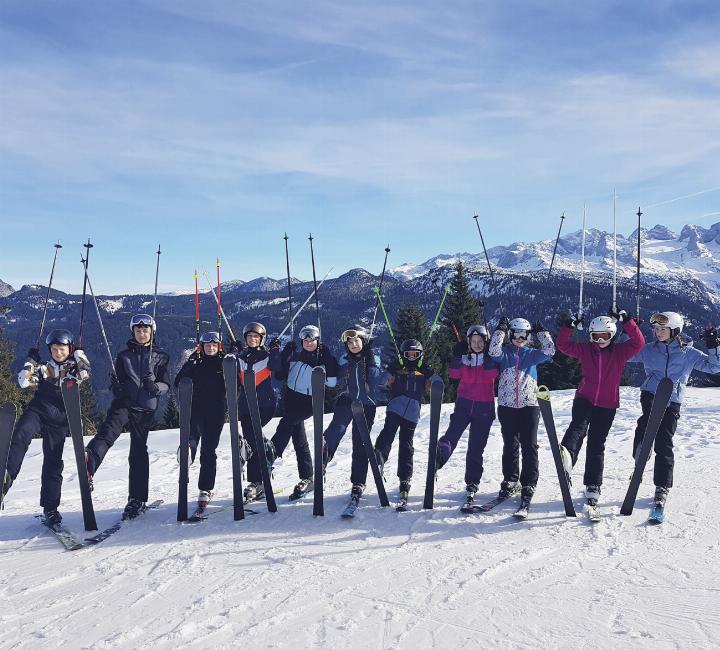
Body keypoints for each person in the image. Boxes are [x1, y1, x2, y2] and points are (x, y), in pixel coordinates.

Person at [627, 312, 720, 511]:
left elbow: (715, 367)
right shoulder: (649, 350)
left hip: (673, 400)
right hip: (651, 394)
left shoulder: (689, 353)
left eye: (663, 329)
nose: (658, 332)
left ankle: (662, 485)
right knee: (645, 424)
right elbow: (625, 354)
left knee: (664, 441)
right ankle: (641, 454)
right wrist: (630, 330)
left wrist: (714, 346)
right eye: (656, 329)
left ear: (675, 330)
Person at [555, 308, 645, 508]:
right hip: (584, 398)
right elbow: (562, 345)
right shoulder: (586, 349)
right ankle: (567, 455)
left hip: (607, 404)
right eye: (596, 336)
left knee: (597, 444)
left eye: (604, 336)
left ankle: (593, 485)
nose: (600, 340)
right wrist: (567, 328)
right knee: (578, 427)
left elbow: (639, 343)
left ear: (612, 335)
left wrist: (628, 322)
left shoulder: (620, 352)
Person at [86, 314, 170, 520]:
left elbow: (166, 384)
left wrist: (155, 387)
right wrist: (116, 387)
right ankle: (90, 463)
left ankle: (137, 499)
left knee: (138, 452)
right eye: (138, 330)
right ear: (133, 332)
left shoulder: (161, 356)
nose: (142, 334)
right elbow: (118, 383)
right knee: (108, 431)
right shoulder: (124, 356)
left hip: (145, 409)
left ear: (152, 332)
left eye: (145, 330)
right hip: (125, 404)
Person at [2, 330, 90, 525]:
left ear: (69, 349)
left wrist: (79, 355)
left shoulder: (74, 369)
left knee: (53, 462)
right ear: (50, 350)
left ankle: (50, 508)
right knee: (21, 434)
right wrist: (30, 362)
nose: (58, 353)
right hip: (39, 410)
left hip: (60, 418)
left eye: (63, 349)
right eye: (54, 349)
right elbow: (24, 381)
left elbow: (85, 374)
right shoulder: (44, 369)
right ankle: (6, 474)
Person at [488, 316, 555, 516]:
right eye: (516, 334)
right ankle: (510, 479)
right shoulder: (504, 354)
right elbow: (493, 351)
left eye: (524, 335)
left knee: (530, 444)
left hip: (529, 406)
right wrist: (499, 330)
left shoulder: (532, 355)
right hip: (507, 406)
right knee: (510, 444)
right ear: (510, 335)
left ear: (528, 337)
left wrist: (542, 333)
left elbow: (550, 350)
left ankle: (529, 483)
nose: (519, 338)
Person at [268, 324, 338, 500]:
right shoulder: (296, 356)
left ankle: (272, 450)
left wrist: (327, 360)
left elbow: (331, 383)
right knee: (298, 439)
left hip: (309, 400)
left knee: (287, 422)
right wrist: (284, 354)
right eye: (305, 339)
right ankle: (307, 478)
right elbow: (279, 376)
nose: (308, 342)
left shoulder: (322, 359)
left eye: (312, 339)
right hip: (290, 397)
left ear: (317, 340)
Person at [435, 325, 499, 507]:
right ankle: (438, 458)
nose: (477, 344)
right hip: (463, 404)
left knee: (475, 447)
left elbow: (492, 374)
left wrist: (487, 359)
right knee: (451, 436)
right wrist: (457, 357)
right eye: (474, 341)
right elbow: (454, 374)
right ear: (469, 343)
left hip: (484, 408)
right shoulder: (464, 358)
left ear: (485, 343)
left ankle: (472, 482)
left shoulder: (491, 359)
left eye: (481, 342)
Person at [323, 326, 382, 507]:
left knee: (360, 441)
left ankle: (358, 481)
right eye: (349, 342)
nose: (353, 344)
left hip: (366, 404)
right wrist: (328, 361)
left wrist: (371, 360)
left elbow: (375, 381)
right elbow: (334, 380)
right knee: (337, 428)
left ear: (363, 342)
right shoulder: (344, 359)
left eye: (356, 341)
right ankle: (323, 458)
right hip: (347, 400)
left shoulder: (373, 358)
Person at [373, 339, 435, 503]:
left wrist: (429, 373)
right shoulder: (397, 370)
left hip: (412, 413)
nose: (412, 358)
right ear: (403, 356)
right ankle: (379, 455)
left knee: (406, 444)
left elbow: (439, 385)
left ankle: (405, 477)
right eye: (408, 355)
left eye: (416, 355)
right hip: (395, 407)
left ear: (420, 356)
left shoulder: (423, 372)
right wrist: (391, 371)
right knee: (389, 431)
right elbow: (380, 384)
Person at [174, 331, 226, 513]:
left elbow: (237, 383)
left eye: (214, 345)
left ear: (218, 346)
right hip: (197, 409)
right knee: (193, 436)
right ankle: (188, 451)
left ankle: (205, 488)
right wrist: (190, 363)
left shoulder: (223, 362)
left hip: (217, 412)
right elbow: (179, 382)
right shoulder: (196, 363)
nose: (210, 348)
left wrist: (232, 359)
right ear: (202, 347)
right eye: (207, 345)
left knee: (209, 450)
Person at [234, 322, 277, 503]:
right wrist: (231, 356)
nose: (252, 340)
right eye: (249, 337)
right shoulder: (241, 356)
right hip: (245, 406)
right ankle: (259, 475)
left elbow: (279, 369)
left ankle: (257, 481)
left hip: (264, 405)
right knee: (251, 441)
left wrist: (275, 352)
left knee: (252, 439)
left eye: (256, 337)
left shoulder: (266, 357)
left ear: (261, 339)